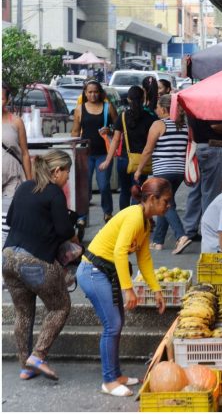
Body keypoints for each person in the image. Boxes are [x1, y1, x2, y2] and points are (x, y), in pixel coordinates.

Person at [76, 177, 169, 397]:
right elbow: (119, 252)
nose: (168, 206)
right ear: (153, 199)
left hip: (105, 273)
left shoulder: (145, 221)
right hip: (92, 272)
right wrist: (128, 289)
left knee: (116, 323)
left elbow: (144, 259)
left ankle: (116, 375)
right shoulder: (135, 217)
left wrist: (156, 290)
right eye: (166, 201)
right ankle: (108, 381)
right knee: (113, 324)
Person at [2, 150, 76, 381]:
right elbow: (65, 231)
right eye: (67, 172)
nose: (67, 177)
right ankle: (38, 355)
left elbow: (11, 219)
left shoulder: (25, 187)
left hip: (8, 257)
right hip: (34, 261)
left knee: (23, 313)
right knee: (60, 307)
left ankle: (26, 367)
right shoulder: (54, 192)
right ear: (56, 171)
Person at [134, 94, 191, 254]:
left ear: (165, 109)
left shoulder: (159, 124)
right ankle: (158, 241)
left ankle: (181, 236)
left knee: (166, 205)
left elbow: (147, 150)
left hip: (163, 171)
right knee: (164, 203)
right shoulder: (184, 126)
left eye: (158, 107)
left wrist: (139, 170)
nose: (155, 109)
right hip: (179, 171)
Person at [100, 86, 157, 211]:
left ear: (129, 100)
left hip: (124, 160)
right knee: (138, 191)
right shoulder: (150, 117)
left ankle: (124, 218)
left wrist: (108, 161)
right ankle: (136, 219)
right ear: (143, 99)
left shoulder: (123, 116)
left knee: (125, 191)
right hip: (142, 160)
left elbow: (115, 140)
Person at [71, 80, 119, 223]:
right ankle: (82, 216)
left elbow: (118, 127)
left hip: (104, 153)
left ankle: (108, 212)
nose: (93, 95)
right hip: (85, 153)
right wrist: (73, 149)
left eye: (96, 92)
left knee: (104, 185)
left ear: (100, 93)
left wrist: (109, 130)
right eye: (90, 92)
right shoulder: (80, 109)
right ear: (85, 93)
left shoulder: (107, 107)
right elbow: (75, 131)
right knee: (84, 186)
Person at [182, 117, 222, 240]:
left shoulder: (194, 104)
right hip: (212, 147)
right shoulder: (210, 103)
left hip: (198, 148)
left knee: (196, 191)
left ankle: (189, 229)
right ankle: (208, 229)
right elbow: (216, 125)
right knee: (211, 192)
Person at [2, 82, 33, 246]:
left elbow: (25, 153)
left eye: (1, 98)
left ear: (7, 100)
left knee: (5, 221)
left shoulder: (16, 122)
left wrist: (29, 182)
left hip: (13, 178)